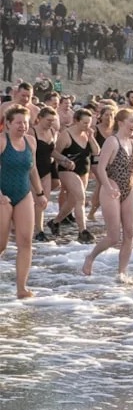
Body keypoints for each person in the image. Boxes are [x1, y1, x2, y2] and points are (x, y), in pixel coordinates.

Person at [81, 109, 133, 277]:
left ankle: (122, 273)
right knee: (114, 236)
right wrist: (108, 187)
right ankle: (91, 257)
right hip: (112, 185)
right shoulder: (112, 141)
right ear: (121, 122)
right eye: (131, 121)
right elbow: (100, 168)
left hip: (129, 188)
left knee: (130, 233)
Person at [0, 105, 48, 299]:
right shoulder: (2, 141)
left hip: (23, 193)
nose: (22, 126)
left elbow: (33, 169)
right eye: (18, 123)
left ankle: (21, 288)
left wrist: (40, 193)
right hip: (3, 195)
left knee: (26, 242)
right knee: (1, 245)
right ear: (8, 123)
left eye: (26, 123)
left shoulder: (30, 141)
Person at [48, 108, 100, 243]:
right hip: (67, 170)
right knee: (81, 198)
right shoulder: (66, 135)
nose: (87, 125)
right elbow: (54, 153)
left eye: (89, 123)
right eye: (84, 123)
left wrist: (92, 137)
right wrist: (64, 161)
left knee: (73, 201)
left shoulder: (87, 134)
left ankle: (55, 222)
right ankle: (83, 231)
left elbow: (96, 151)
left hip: (84, 169)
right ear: (76, 121)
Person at [32, 106, 59, 242]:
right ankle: (38, 230)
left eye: (53, 120)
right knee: (37, 199)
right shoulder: (32, 132)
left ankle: (39, 230)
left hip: (47, 168)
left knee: (43, 202)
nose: (51, 123)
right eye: (48, 120)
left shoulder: (53, 131)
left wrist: (64, 160)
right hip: (33, 168)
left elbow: (51, 151)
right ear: (40, 118)